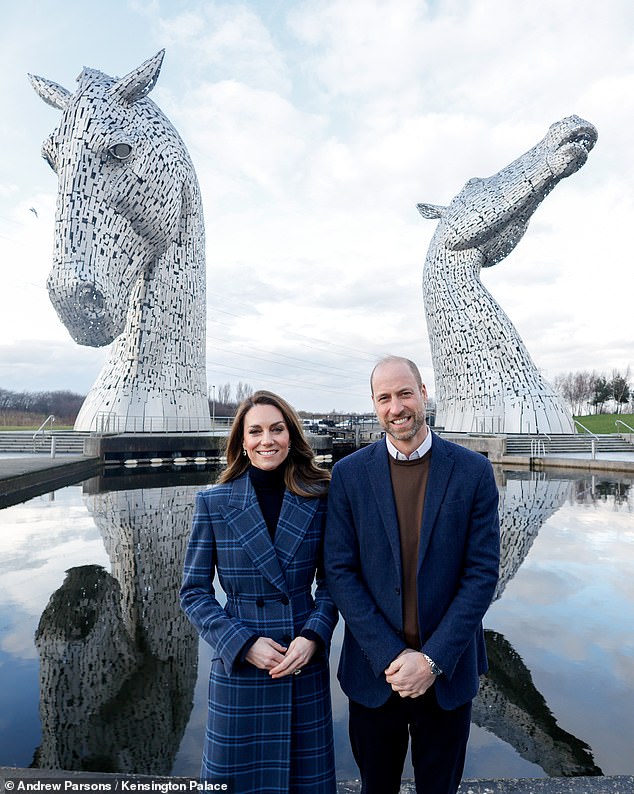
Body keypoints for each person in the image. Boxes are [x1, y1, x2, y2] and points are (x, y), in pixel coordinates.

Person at [324, 356, 500, 794]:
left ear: (423, 393)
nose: (395, 407)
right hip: (374, 675)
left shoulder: (472, 472)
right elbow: (340, 572)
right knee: (375, 787)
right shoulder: (348, 475)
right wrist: (391, 656)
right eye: (384, 397)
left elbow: (481, 576)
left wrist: (432, 660)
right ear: (373, 404)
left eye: (404, 393)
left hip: (448, 674)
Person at [180, 390, 338, 793]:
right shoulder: (213, 502)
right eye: (256, 431)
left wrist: (313, 636)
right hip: (240, 666)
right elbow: (194, 593)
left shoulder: (320, 497)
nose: (266, 440)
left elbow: (334, 583)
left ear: (291, 436)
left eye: (276, 429)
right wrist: (243, 643)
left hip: (301, 659)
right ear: (242, 441)